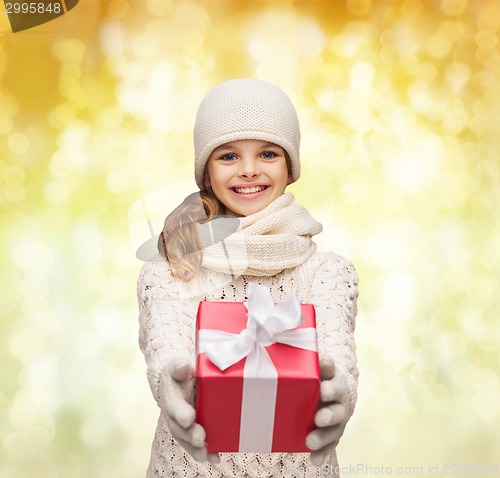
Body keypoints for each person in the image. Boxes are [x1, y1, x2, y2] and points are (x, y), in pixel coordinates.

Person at [136, 78, 359, 478]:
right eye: (228, 156)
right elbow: (166, 346)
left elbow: (337, 357)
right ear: (205, 171)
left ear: (290, 166)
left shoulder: (328, 273)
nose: (250, 170)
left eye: (268, 153)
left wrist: (340, 391)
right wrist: (170, 382)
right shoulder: (169, 267)